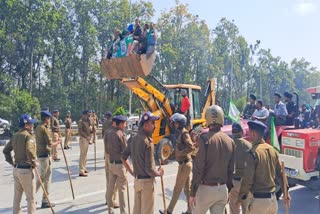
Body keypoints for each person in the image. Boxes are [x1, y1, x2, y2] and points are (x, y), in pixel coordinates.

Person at [238, 120, 291, 213]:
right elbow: (281, 174)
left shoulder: (252, 153)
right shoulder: (272, 150)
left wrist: (241, 197)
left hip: (258, 202)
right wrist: (286, 192)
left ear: (253, 133)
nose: (249, 135)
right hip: (273, 201)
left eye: (249, 132)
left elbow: (247, 179)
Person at [189, 105, 235, 214]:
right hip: (222, 189)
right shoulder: (230, 141)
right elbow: (231, 170)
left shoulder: (204, 140)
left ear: (208, 119)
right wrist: (229, 189)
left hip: (205, 189)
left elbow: (198, 169)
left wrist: (192, 192)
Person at [122, 111, 164, 214]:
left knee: (137, 211)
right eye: (152, 123)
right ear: (145, 125)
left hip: (137, 181)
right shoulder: (148, 142)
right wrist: (159, 173)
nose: (154, 126)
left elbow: (123, 157)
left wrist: (132, 172)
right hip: (146, 183)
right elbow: (149, 169)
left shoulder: (133, 138)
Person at [160, 113, 194, 214]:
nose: (174, 125)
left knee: (177, 189)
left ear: (181, 123)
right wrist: (168, 158)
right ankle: (190, 211)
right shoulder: (181, 134)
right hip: (184, 164)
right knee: (187, 190)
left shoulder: (184, 134)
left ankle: (169, 211)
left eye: (176, 123)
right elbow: (177, 149)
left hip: (185, 165)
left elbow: (191, 147)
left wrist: (180, 153)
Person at [3, 114, 37, 214]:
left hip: (16, 169)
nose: (32, 126)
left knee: (17, 197)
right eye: (31, 124)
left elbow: (5, 150)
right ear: (26, 125)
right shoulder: (28, 136)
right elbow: (30, 150)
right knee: (31, 198)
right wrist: (34, 161)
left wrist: (12, 163)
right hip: (26, 170)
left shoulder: (15, 136)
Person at [35, 111, 59, 208]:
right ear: (46, 119)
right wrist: (57, 142)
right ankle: (45, 200)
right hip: (45, 155)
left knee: (41, 177)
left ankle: (31, 195)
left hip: (40, 155)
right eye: (49, 119)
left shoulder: (37, 127)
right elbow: (49, 144)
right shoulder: (45, 129)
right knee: (47, 178)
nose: (50, 121)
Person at [228, 122, 252, 214]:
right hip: (246, 182)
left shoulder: (229, 144)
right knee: (246, 208)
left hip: (233, 182)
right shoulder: (248, 145)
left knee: (234, 207)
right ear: (242, 132)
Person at [107, 115, 128, 214]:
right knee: (122, 189)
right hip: (120, 164)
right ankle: (123, 212)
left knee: (110, 187)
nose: (125, 124)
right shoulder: (120, 134)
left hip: (111, 163)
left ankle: (110, 210)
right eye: (124, 123)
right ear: (120, 124)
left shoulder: (109, 132)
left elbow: (106, 149)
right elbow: (126, 151)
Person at [104, 117, 119, 208]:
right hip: (113, 158)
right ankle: (112, 200)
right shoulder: (116, 133)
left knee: (109, 180)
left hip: (107, 156)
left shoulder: (107, 132)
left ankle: (108, 198)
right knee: (114, 180)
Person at [78, 110, 92, 177]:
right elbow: (80, 131)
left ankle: (84, 167)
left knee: (85, 154)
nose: (87, 116)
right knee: (82, 155)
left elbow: (90, 129)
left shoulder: (88, 121)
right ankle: (81, 170)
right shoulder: (81, 121)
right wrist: (86, 137)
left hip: (87, 138)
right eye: (86, 115)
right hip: (83, 138)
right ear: (83, 115)